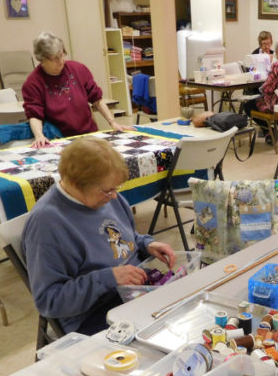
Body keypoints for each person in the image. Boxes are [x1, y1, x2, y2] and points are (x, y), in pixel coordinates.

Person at [22, 136, 176, 335]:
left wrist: (147, 244)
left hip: (132, 291)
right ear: (76, 184)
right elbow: (50, 301)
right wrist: (109, 278)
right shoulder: (47, 224)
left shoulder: (103, 196)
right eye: (107, 191)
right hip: (93, 312)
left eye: (115, 189)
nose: (114, 196)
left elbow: (125, 237)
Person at [22, 31, 130, 148]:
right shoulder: (33, 82)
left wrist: (113, 122)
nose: (60, 62)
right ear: (41, 59)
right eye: (54, 59)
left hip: (89, 135)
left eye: (62, 55)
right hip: (61, 139)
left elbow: (97, 100)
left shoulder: (78, 69)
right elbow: (35, 114)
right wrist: (39, 136)